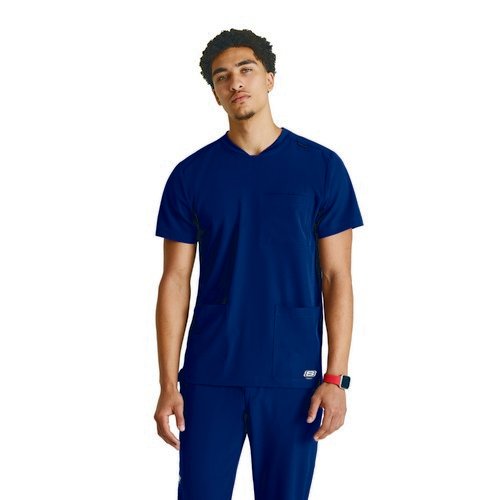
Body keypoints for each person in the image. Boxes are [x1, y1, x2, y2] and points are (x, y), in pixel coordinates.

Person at [153, 28, 364, 500]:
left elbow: (337, 277)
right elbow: (175, 280)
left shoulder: (321, 168)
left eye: (246, 70)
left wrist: (336, 377)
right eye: (221, 76)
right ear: (215, 92)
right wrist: (168, 383)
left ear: (269, 78)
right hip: (210, 374)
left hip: (293, 375)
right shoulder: (191, 175)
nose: (235, 82)